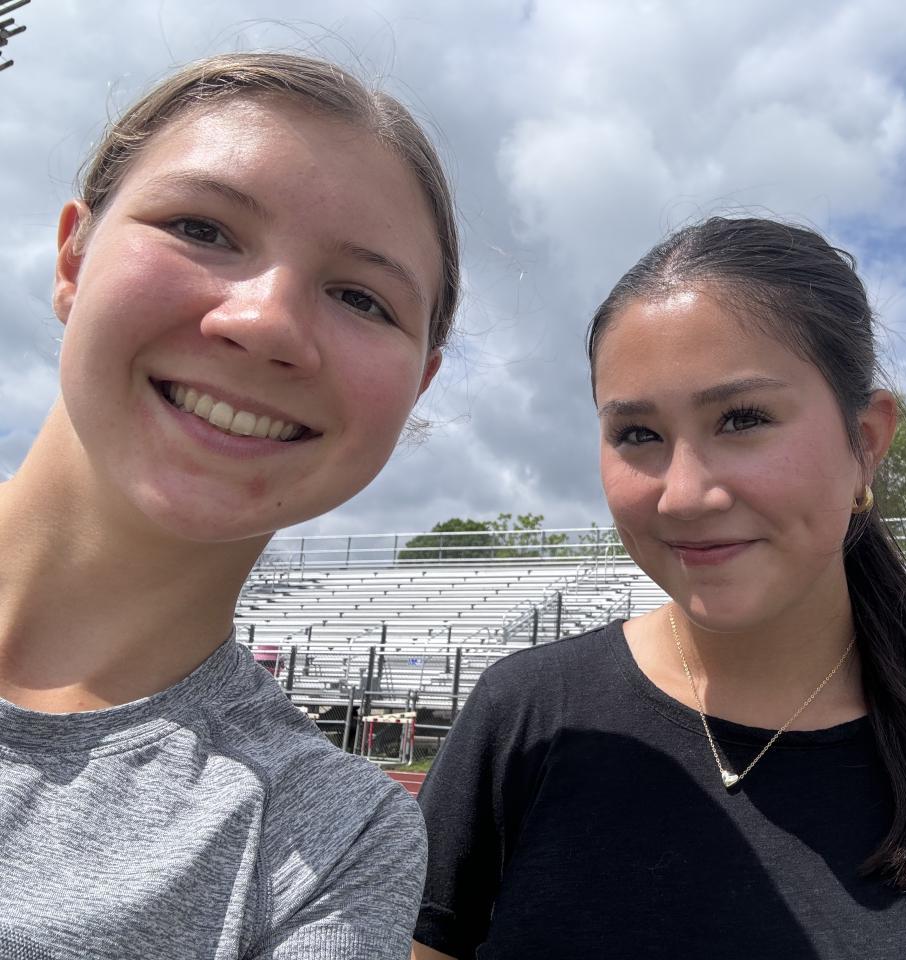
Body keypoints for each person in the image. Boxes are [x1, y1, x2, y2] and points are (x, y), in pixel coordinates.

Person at [412, 217, 906, 960]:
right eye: (637, 434)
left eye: (742, 419)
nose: (684, 495)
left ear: (865, 442)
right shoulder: (523, 718)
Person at [0, 52, 459, 959]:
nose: (266, 322)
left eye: (361, 298)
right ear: (73, 257)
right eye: (201, 229)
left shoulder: (335, 841)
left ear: (419, 386)